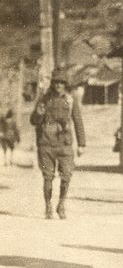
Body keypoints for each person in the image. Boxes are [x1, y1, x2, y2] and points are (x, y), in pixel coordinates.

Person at [29, 69, 86, 219]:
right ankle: (48, 206)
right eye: (56, 82)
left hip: (65, 143)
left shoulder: (71, 99)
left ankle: (61, 204)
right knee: (48, 177)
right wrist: (39, 114)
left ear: (66, 84)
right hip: (46, 143)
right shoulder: (44, 99)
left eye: (62, 82)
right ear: (52, 83)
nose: (58, 85)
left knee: (66, 175)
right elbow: (33, 121)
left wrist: (82, 144)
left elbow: (77, 120)